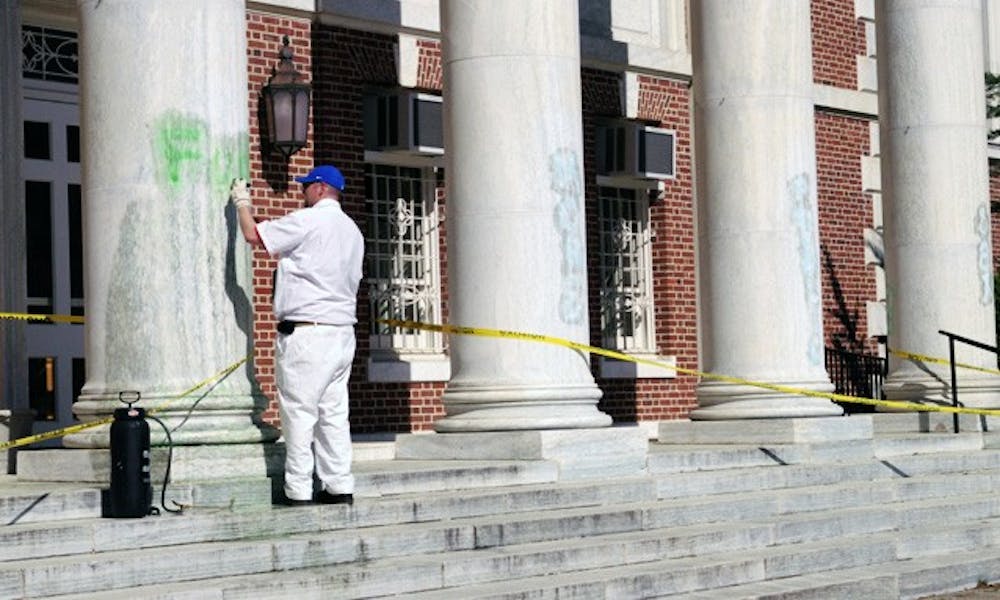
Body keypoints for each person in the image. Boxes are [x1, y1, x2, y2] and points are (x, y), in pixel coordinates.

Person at [229, 165, 364, 506]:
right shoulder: (353, 231)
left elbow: (253, 235)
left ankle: (299, 490)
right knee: (333, 413)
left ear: (320, 188)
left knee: (300, 413)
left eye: (306, 186)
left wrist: (241, 201)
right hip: (341, 333)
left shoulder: (309, 221)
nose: (303, 193)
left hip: (307, 333)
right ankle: (338, 485)